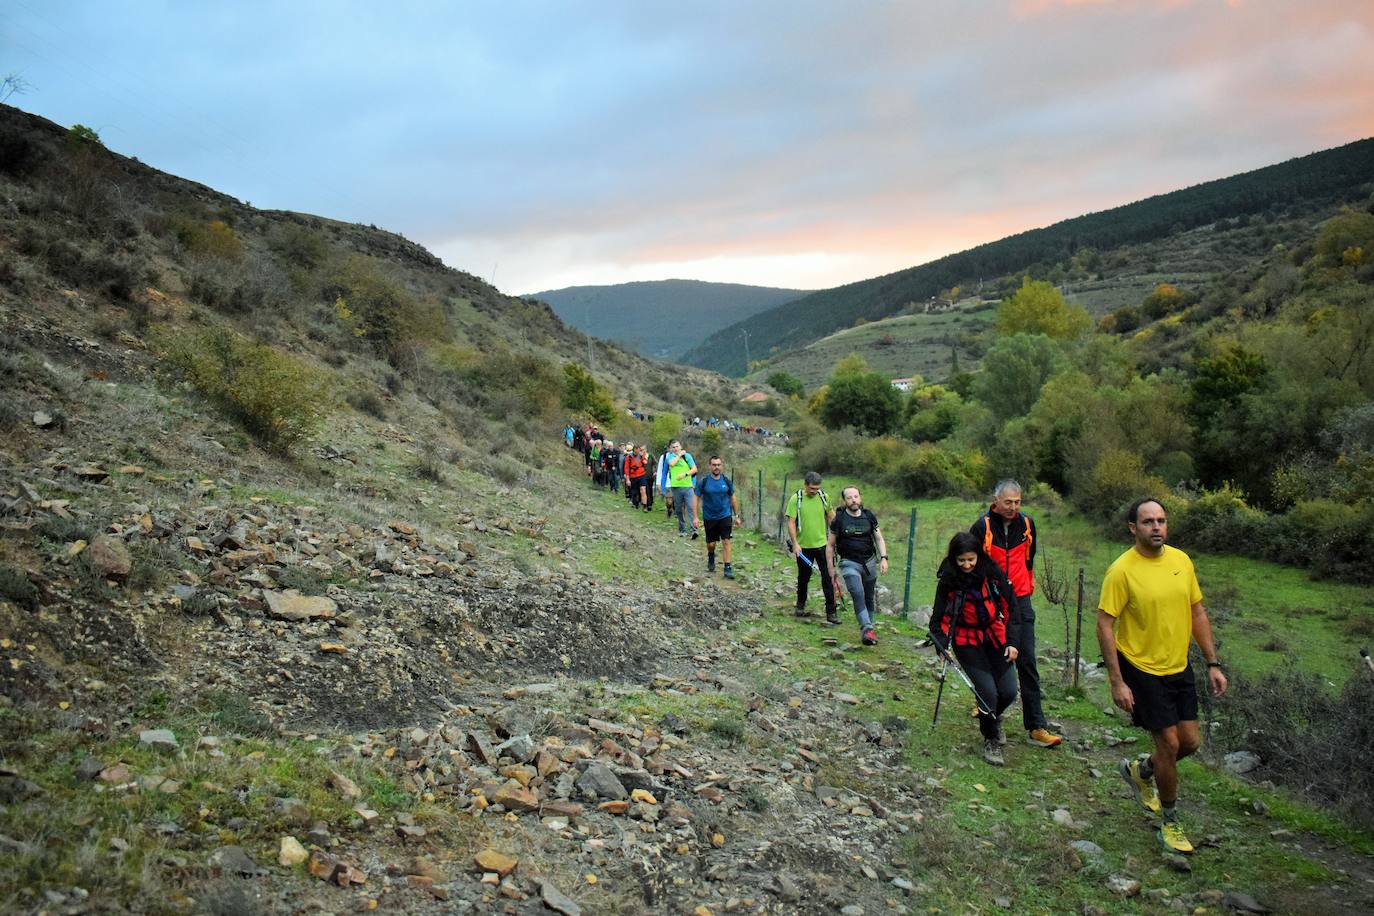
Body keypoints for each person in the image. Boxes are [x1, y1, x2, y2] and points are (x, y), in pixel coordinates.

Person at [1097, 497, 1227, 855]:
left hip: (1179, 665)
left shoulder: (1181, 561)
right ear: (1133, 528)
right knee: (1168, 745)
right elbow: (1105, 624)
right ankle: (1170, 822)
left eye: (1161, 521)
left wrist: (1212, 662)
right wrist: (1116, 679)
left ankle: (1142, 771)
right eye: (1148, 522)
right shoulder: (1121, 570)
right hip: (1141, 668)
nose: (1156, 527)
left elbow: (1196, 610)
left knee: (1190, 743)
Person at [970, 479, 1062, 749]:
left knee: (1028, 661)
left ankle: (1036, 726)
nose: (1013, 507)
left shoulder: (1028, 525)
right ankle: (987, 705)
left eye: (1018, 502)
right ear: (995, 501)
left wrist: (1025, 589)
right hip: (991, 602)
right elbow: (971, 563)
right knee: (993, 659)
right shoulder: (982, 527)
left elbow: (1029, 558)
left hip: (1020, 602)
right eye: (1008, 502)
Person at [929, 532, 1021, 766]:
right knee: (987, 693)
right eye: (961, 561)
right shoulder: (948, 580)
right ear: (954, 559)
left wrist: (1012, 641)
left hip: (995, 635)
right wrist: (942, 647)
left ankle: (993, 717)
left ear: (978, 555)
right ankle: (990, 738)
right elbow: (937, 620)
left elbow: (1011, 607)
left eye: (971, 559)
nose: (967, 565)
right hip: (965, 640)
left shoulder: (992, 572)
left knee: (1009, 691)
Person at [828, 486, 888, 646]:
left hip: (869, 562)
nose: (853, 500)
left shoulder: (869, 516)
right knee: (857, 593)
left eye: (855, 496)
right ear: (844, 501)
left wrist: (884, 558)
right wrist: (831, 568)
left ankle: (869, 630)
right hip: (849, 563)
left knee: (868, 597)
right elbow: (830, 545)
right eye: (849, 497)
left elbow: (879, 538)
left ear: (860, 498)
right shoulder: (839, 520)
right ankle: (867, 627)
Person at [785, 472, 837, 623]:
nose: (814, 491)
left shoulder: (824, 497)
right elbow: (791, 522)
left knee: (828, 578)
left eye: (817, 488)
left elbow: (831, 515)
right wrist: (795, 543)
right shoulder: (796, 499)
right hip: (804, 548)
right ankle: (800, 606)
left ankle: (831, 613)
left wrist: (836, 535)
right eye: (812, 488)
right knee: (804, 578)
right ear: (806, 485)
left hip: (823, 546)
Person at [693, 456, 741, 578]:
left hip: (725, 515)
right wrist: (695, 517)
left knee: (726, 541)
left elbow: (733, 498)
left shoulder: (726, 481)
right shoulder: (703, 482)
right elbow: (696, 498)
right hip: (709, 517)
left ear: (722, 466)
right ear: (710, 466)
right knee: (711, 544)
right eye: (714, 465)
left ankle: (728, 567)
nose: (716, 467)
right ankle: (711, 555)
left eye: (718, 465)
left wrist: (737, 515)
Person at [666, 440, 698, 537]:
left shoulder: (687, 456)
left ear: (680, 446)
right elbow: (671, 464)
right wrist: (679, 455)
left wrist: (685, 474)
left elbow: (694, 469)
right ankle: (682, 529)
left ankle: (694, 530)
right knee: (679, 509)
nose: (675, 449)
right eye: (673, 447)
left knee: (691, 508)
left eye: (677, 446)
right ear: (671, 449)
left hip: (688, 486)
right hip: (676, 487)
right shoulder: (670, 456)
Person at [625, 445, 649, 511]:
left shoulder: (641, 456)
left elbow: (645, 462)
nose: (637, 453)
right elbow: (626, 468)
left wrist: (644, 460)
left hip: (641, 475)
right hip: (633, 476)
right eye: (636, 451)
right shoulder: (629, 457)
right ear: (633, 451)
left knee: (643, 490)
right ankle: (635, 504)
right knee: (634, 492)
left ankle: (645, 506)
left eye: (638, 451)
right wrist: (627, 479)